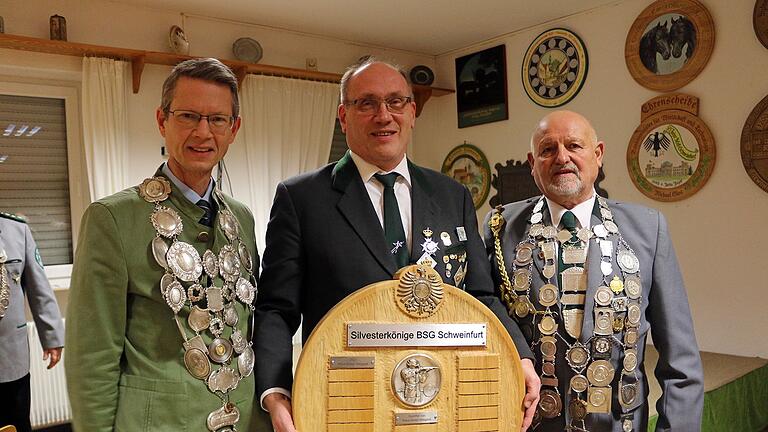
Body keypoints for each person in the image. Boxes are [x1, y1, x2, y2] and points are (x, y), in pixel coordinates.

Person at [254, 57, 540, 432]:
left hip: (443, 402)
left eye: (395, 102)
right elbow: (277, 307)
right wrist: (275, 390)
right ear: (343, 116)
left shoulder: (452, 194)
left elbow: (481, 295)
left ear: (412, 111)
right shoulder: (302, 197)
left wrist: (519, 355)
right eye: (367, 103)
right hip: (346, 400)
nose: (383, 115)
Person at [65, 58, 270, 432]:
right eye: (188, 116)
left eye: (217, 119)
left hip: (243, 418)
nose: (203, 132)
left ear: (233, 129)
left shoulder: (242, 217)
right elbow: (92, 356)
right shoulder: (113, 218)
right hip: (158, 422)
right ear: (162, 121)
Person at [483, 110, 703, 431]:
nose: (562, 158)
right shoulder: (499, 228)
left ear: (598, 154)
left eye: (574, 146)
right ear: (532, 163)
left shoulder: (647, 228)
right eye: (548, 150)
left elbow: (680, 363)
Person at [0, 213, 64, 432]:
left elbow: (39, 289)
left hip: (10, 356)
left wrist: (52, 337)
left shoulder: (16, 230)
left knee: (15, 422)